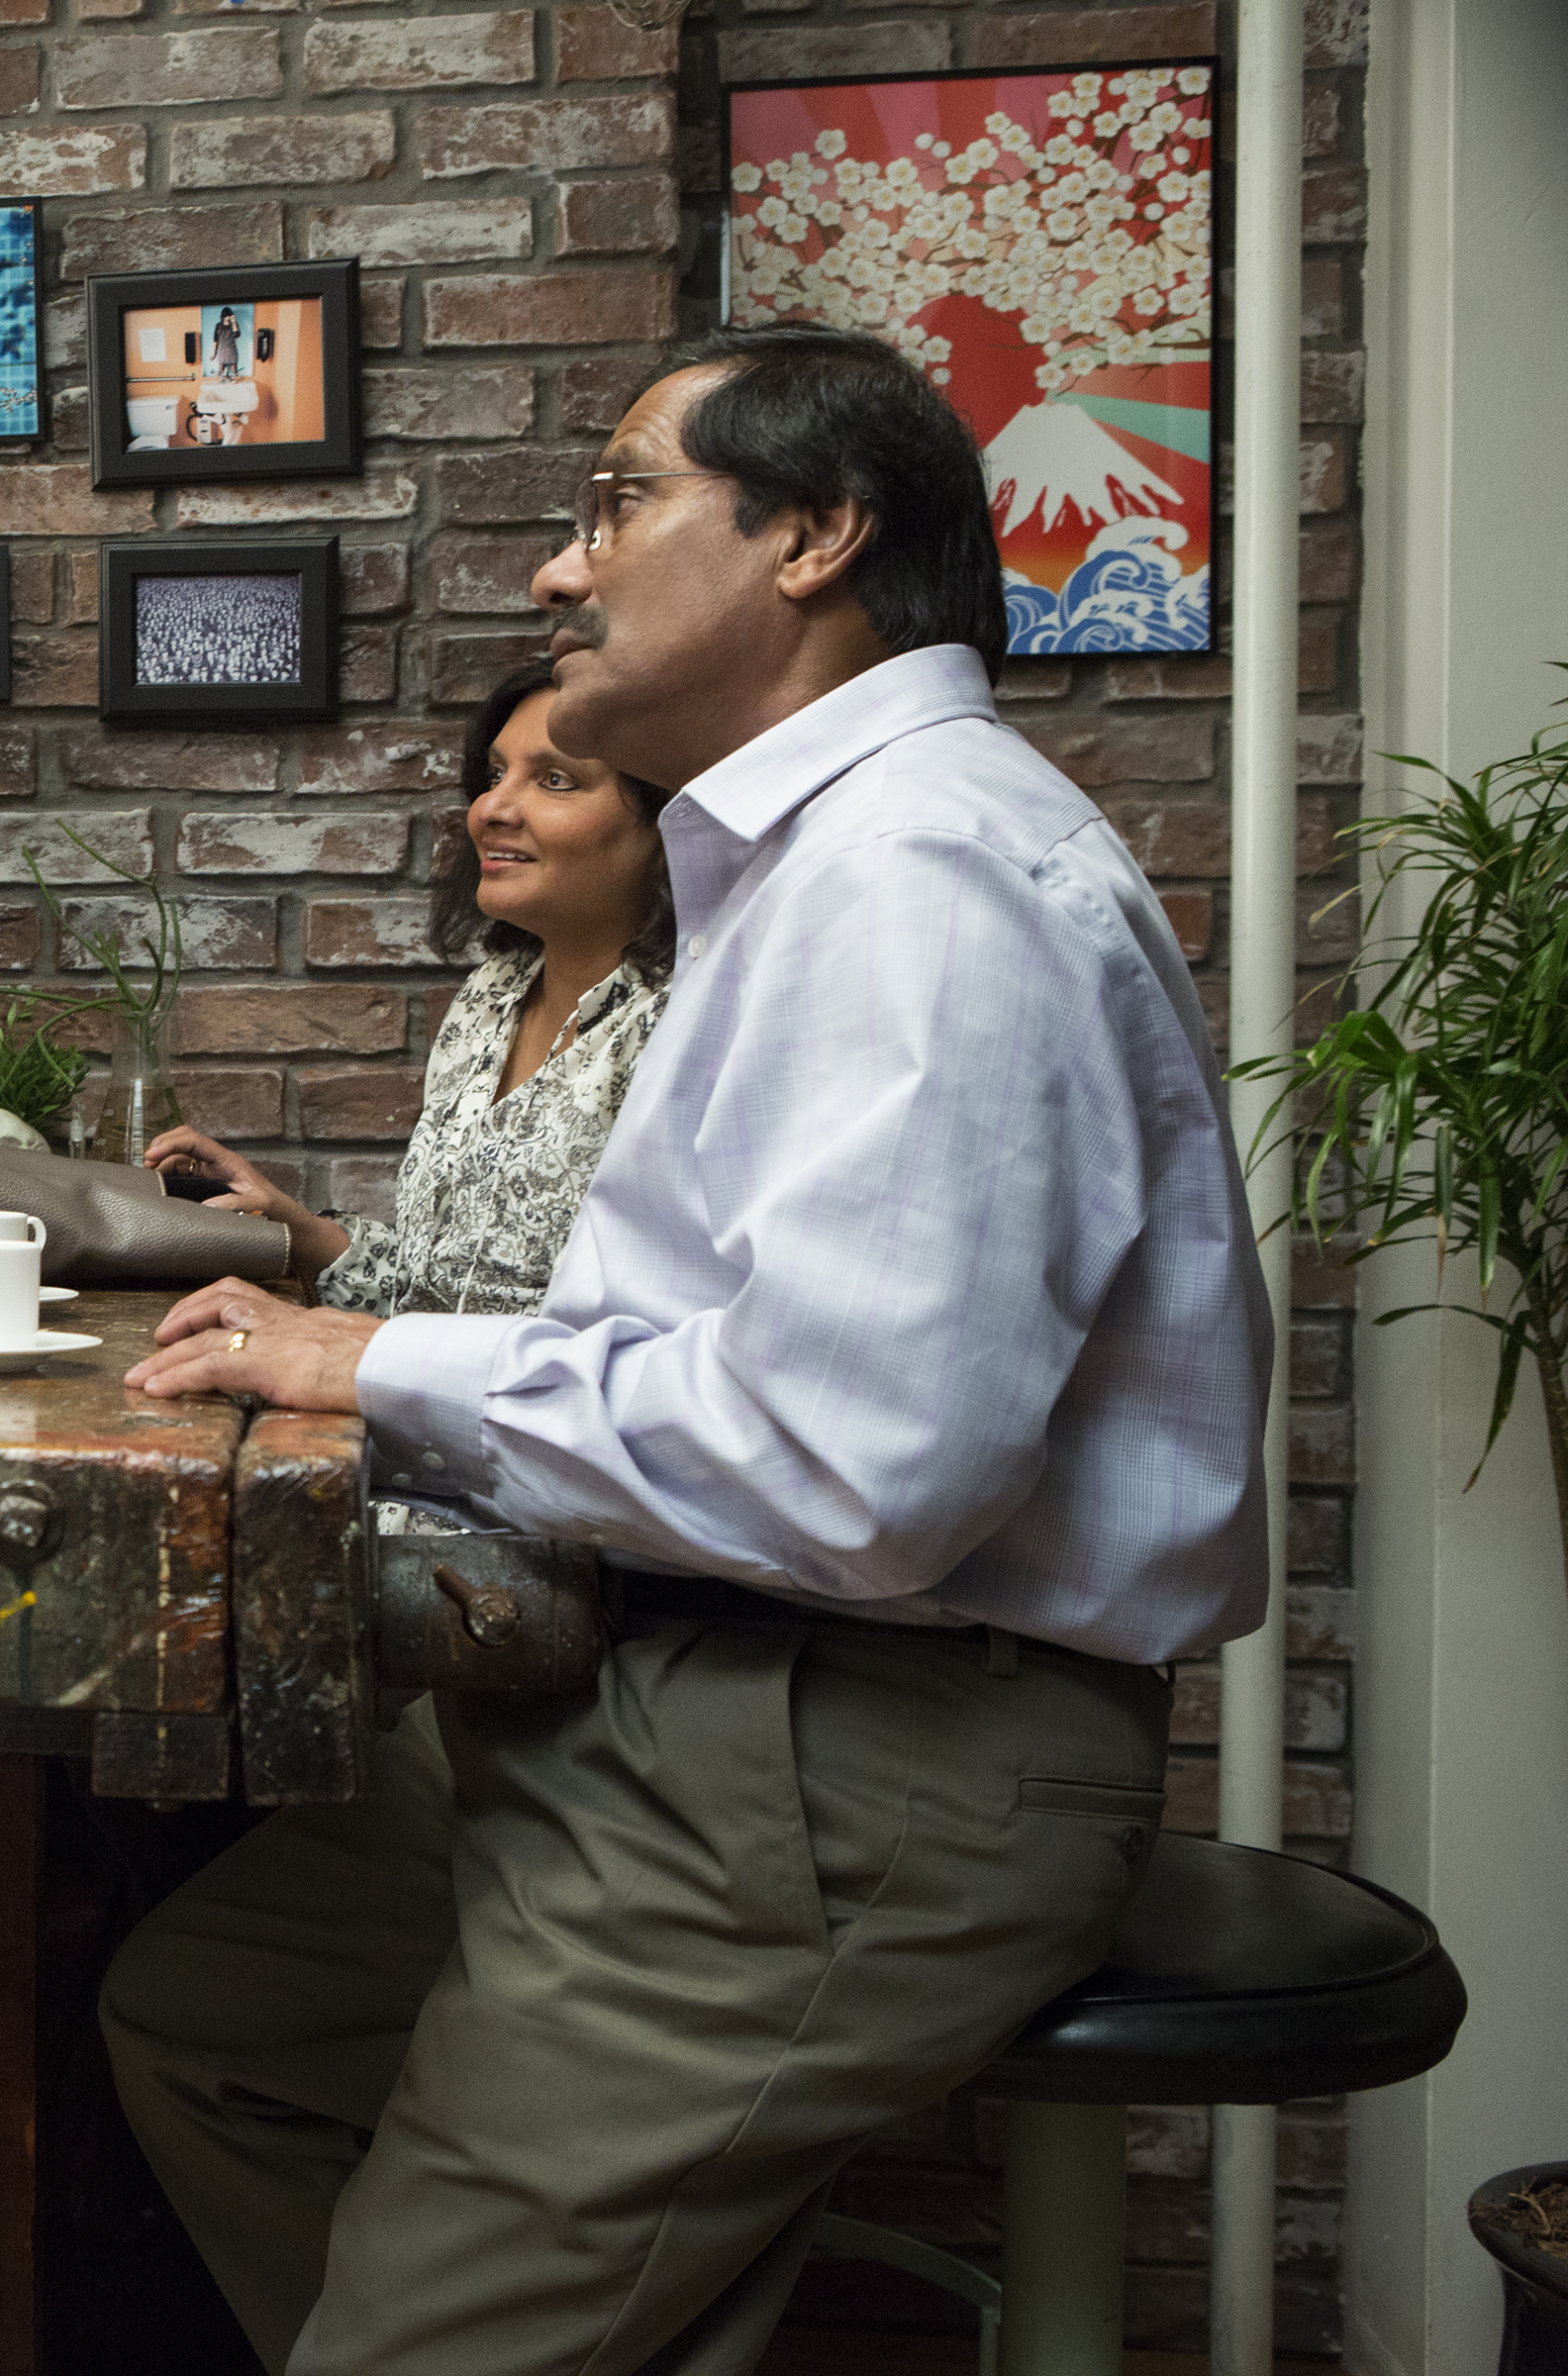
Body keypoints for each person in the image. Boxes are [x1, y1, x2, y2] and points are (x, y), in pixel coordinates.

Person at [107, 324, 1272, 2374]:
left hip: (855, 1744)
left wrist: (370, 1364)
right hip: (690, 1678)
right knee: (210, 2022)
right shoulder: (815, 858)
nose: (567, 569)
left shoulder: (925, 878)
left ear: (816, 534)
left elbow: (848, 1471)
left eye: (619, 499)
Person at [143, 655, 672, 1390]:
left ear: (671, 819)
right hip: (403, 1456)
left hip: (528, 1484)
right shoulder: (492, 997)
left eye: (555, 780)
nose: (491, 809)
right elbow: (438, 1293)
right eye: (494, 775)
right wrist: (298, 1232)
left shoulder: (681, 1027)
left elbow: (657, 1361)